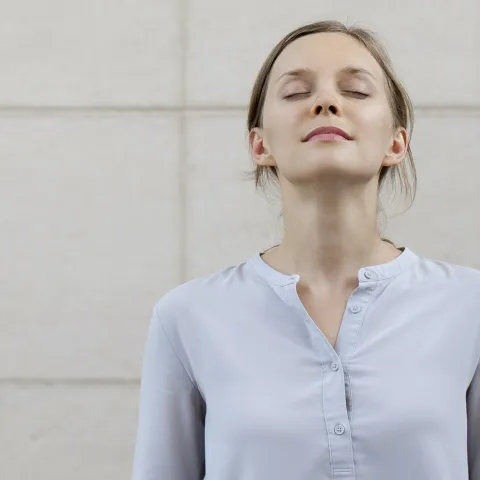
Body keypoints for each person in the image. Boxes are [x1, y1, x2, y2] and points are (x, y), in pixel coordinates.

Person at [132, 21, 480, 480]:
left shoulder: (469, 306)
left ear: (397, 142)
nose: (326, 102)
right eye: (296, 93)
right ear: (260, 144)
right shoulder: (188, 317)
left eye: (356, 90)